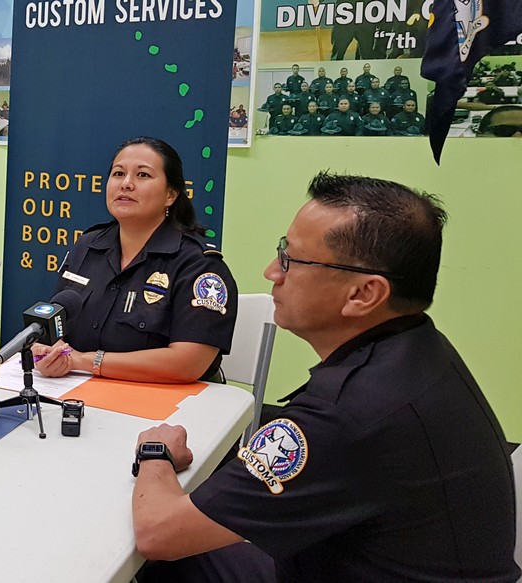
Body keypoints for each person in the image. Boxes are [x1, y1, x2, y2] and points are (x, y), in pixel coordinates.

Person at [131, 172, 519, 582]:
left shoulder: (344, 415)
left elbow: (159, 533)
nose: (271, 272)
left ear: (364, 294)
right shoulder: (420, 346)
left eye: (291, 260)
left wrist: (156, 452)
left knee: (153, 556)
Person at [32, 137, 237, 383]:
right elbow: (55, 326)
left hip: (168, 402)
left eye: (143, 175)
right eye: (118, 174)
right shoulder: (87, 245)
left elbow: (188, 363)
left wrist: (85, 361)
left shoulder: (198, 264)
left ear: (171, 195)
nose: (126, 184)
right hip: (81, 392)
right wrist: (48, 351)